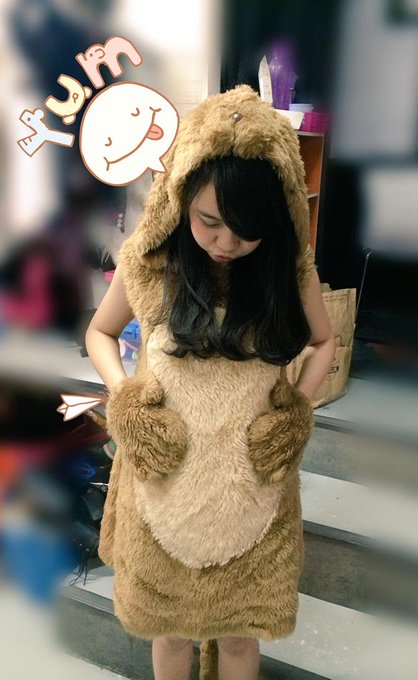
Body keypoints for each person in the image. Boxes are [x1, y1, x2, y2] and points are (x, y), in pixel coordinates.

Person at [85, 84, 335, 680]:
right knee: (168, 632)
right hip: (164, 481)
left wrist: (295, 411)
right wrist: (125, 397)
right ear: (181, 200)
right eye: (210, 222)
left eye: (246, 230)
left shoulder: (285, 274)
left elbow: (323, 343)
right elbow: (100, 333)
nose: (226, 244)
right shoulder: (152, 264)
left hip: (252, 486)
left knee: (242, 635)